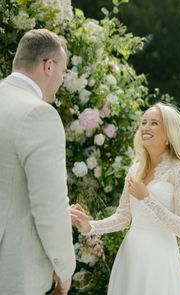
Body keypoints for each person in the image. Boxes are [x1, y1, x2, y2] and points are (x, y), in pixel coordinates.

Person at [72, 102, 180, 295]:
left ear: (169, 133)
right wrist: (91, 227)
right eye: (144, 122)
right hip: (130, 256)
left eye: (154, 123)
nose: (146, 127)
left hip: (160, 259)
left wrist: (147, 198)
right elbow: (123, 217)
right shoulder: (135, 169)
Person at [0, 29, 88, 295]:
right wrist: (64, 270)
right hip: (14, 268)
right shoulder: (39, 114)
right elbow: (48, 206)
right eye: (63, 72)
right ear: (48, 66)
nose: (62, 80)